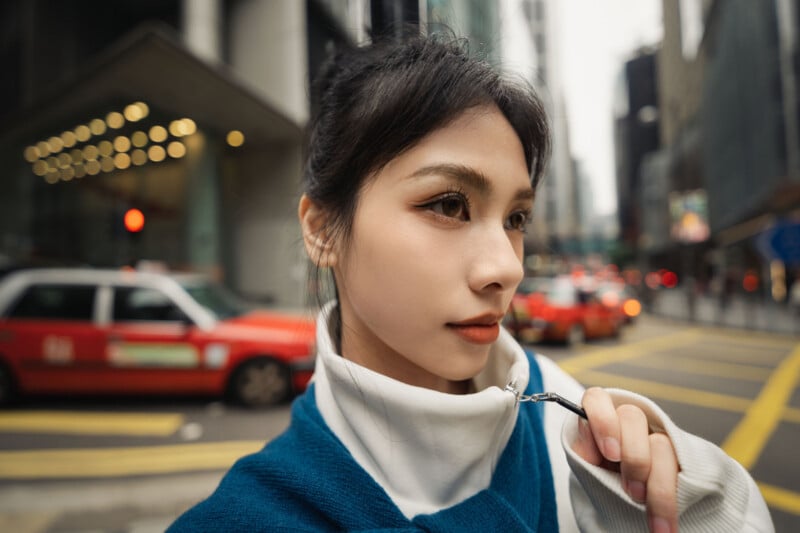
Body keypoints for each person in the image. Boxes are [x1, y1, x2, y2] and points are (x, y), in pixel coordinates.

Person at [168, 32, 773, 532]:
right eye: (449, 204)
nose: (507, 267)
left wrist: (691, 497)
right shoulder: (246, 518)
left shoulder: (567, 426)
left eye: (515, 218)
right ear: (323, 229)